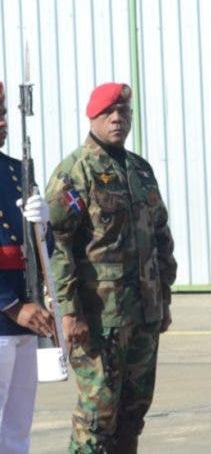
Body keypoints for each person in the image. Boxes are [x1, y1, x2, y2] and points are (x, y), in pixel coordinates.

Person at [45, 82, 177, 453]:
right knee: (97, 415)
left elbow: (160, 235)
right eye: (109, 113)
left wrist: (163, 299)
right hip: (99, 319)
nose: (117, 119)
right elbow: (56, 243)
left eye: (124, 113)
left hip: (143, 315)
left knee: (133, 412)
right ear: (93, 117)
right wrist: (68, 312)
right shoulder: (75, 171)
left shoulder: (140, 170)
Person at [0, 81, 56, 454]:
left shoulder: (17, 170)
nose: (3, 122)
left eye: (4, 114)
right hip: (7, 312)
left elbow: (41, 251)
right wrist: (11, 304)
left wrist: (43, 227)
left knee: (17, 428)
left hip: (27, 308)